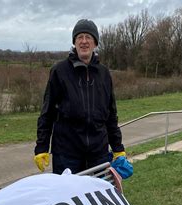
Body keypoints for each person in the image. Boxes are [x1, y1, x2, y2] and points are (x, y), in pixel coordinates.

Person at [34, 19, 126, 174]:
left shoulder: (104, 74)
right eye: (79, 37)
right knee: (67, 197)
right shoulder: (59, 71)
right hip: (67, 155)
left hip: (99, 154)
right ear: (74, 43)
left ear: (95, 43)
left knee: (96, 197)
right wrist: (42, 147)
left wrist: (118, 148)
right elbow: (47, 113)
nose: (84, 41)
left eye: (88, 37)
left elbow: (111, 115)